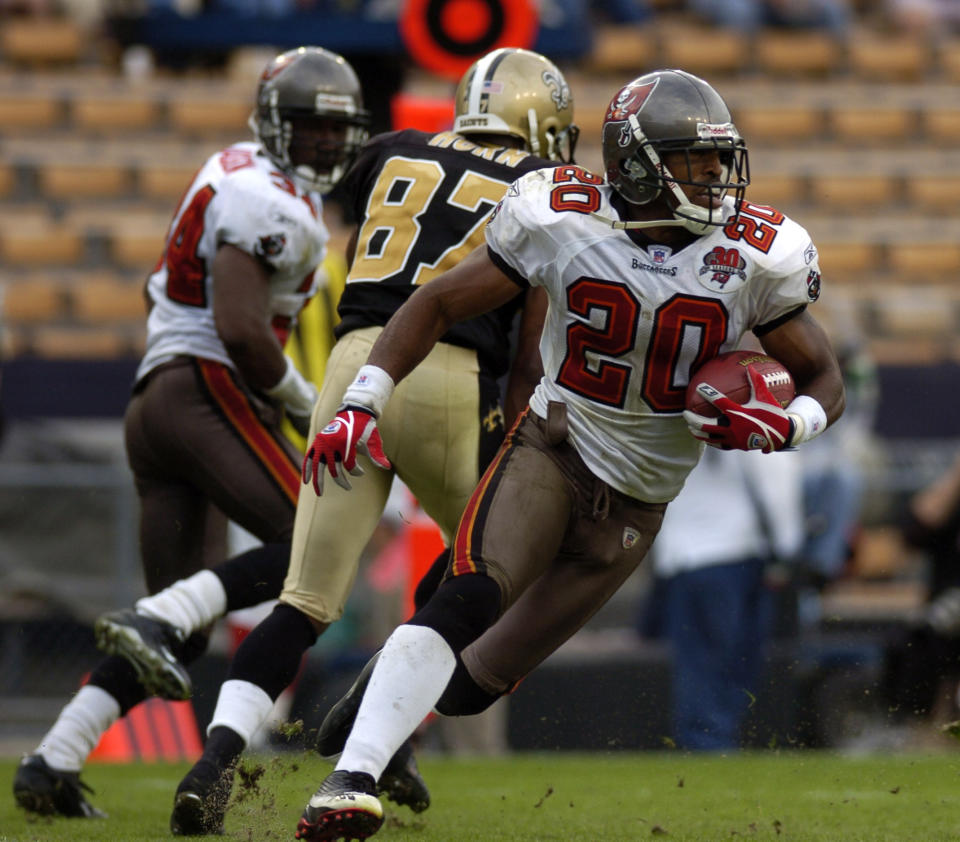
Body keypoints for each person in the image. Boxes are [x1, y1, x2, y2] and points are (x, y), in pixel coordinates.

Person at [296, 67, 846, 841]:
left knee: (471, 687)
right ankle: (349, 783)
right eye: (695, 160)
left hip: (638, 504)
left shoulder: (758, 254)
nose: (717, 178)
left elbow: (824, 377)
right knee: (469, 595)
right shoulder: (562, 216)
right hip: (555, 446)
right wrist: (363, 398)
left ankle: (376, 694)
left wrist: (788, 427)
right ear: (638, 165)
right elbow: (438, 300)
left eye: (720, 160)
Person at [164, 47, 579, 835]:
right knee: (490, 564)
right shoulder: (542, 189)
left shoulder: (392, 151)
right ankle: (369, 716)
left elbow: (361, 236)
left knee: (303, 599)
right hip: (449, 372)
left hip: (355, 366)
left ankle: (213, 765)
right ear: (541, 122)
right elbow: (528, 350)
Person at [11, 45, 370, 819]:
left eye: (334, 132)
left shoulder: (234, 169)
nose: (323, 145)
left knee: (179, 632)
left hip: (160, 398)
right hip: (204, 388)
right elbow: (241, 329)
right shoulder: (265, 199)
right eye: (308, 128)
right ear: (276, 125)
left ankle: (51, 763)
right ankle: (158, 614)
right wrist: (307, 402)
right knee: (301, 546)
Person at [640, 445, 805, 751]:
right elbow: (776, 479)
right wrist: (785, 551)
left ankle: (713, 739)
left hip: (689, 556)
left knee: (711, 659)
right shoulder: (744, 414)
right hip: (735, 554)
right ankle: (709, 741)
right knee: (727, 658)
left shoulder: (668, 420)